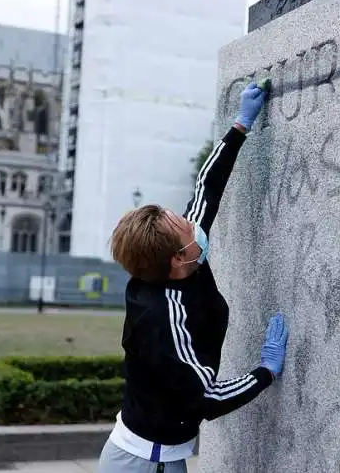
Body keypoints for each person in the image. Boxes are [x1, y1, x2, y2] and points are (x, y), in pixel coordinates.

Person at [98, 81, 290, 473]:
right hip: (144, 465)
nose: (194, 224)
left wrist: (239, 127)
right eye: (188, 230)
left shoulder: (176, 256)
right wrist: (266, 371)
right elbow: (207, 397)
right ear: (178, 260)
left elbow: (206, 188)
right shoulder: (162, 318)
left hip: (158, 457)